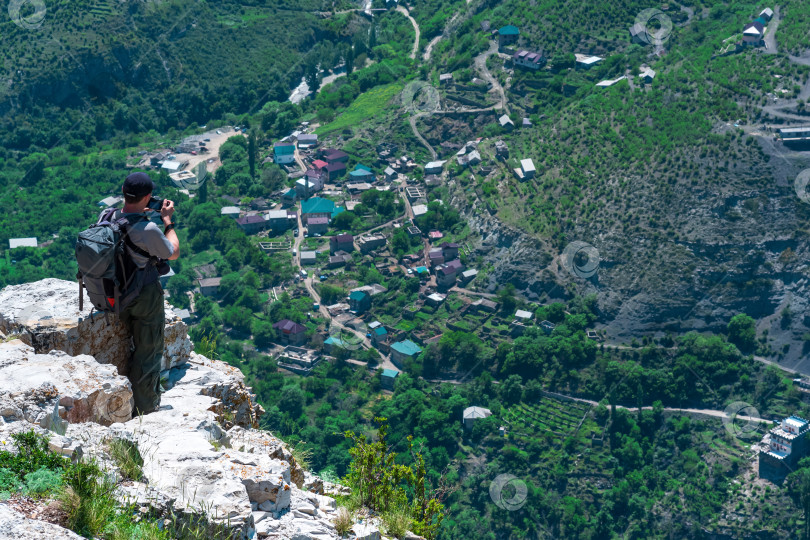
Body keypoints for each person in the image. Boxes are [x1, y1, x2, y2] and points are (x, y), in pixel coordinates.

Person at [117, 172, 180, 416]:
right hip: (143, 294)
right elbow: (172, 252)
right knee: (149, 349)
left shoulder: (108, 217)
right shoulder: (148, 228)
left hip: (114, 294)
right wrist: (167, 221)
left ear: (123, 191)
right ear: (148, 197)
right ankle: (145, 408)